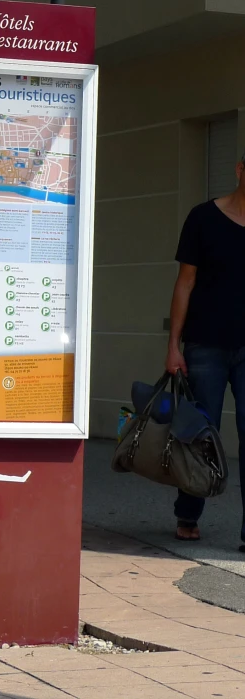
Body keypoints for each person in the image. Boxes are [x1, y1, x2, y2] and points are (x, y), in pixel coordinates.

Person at [166, 151, 245, 546]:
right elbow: (185, 283)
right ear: (239, 171)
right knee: (200, 434)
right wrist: (173, 346)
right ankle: (188, 513)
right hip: (205, 346)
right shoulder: (203, 218)